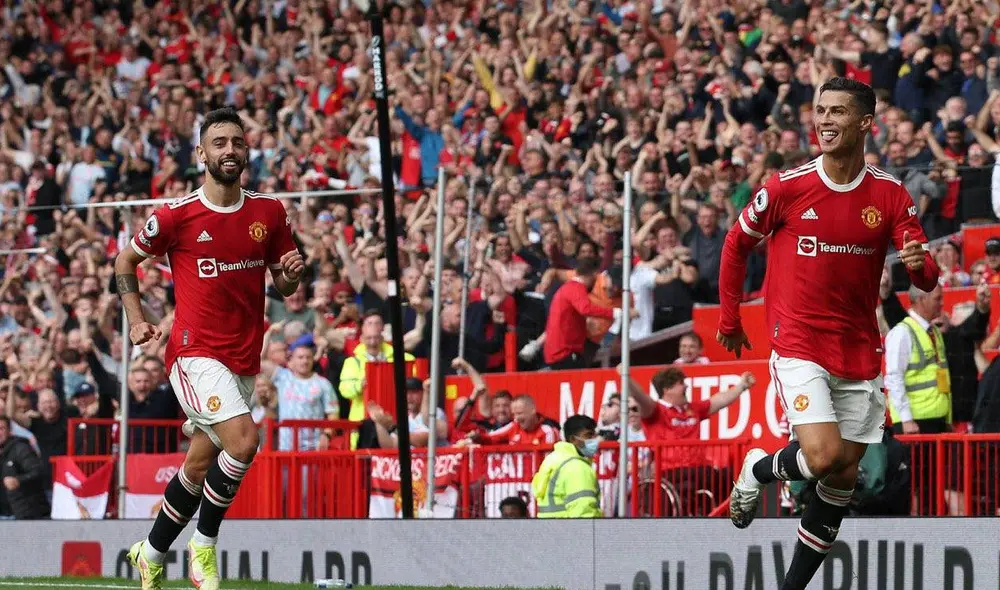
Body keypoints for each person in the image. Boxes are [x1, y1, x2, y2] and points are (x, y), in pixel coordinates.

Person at [716, 78, 939, 590]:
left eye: (837, 111)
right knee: (820, 457)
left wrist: (919, 265)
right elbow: (735, 244)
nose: (824, 120)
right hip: (798, 340)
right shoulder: (787, 187)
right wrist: (729, 320)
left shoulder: (889, 193)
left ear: (866, 123)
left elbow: (925, 275)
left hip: (859, 348)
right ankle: (759, 468)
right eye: (820, 111)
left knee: (842, 477)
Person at [115, 107, 304, 590]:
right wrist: (137, 320)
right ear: (200, 153)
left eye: (237, 143)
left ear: (247, 151)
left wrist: (291, 273)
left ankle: (151, 553)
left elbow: (282, 285)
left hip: (243, 356)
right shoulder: (175, 216)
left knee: (199, 464)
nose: (229, 151)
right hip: (192, 352)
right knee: (244, 440)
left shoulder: (269, 211)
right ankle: (204, 546)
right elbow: (125, 260)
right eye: (218, 142)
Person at [531, 414, 602, 518]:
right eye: (589, 435)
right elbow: (583, 511)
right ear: (573, 439)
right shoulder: (577, 467)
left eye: (594, 435)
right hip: (571, 530)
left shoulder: (553, 459)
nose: (594, 440)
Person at [0, 415, 49, 520]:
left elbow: (38, 472)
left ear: (9, 431)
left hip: (23, 515)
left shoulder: (21, 448)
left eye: (1, 428)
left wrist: (18, 481)